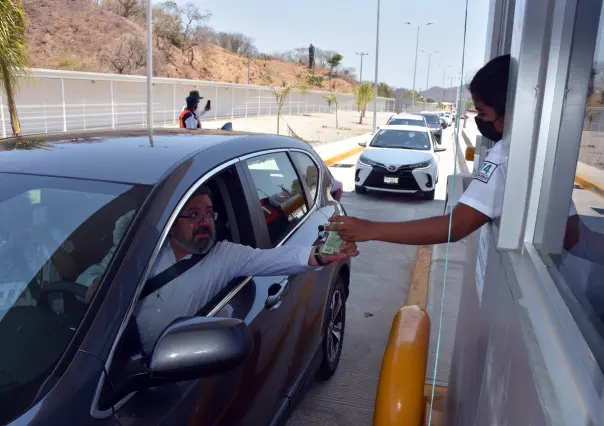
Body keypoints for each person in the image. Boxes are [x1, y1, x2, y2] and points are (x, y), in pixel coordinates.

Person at [325, 54, 604, 262]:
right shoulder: (533, 152)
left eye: (482, 113)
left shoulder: (509, 158)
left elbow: (454, 226)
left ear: (512, 110)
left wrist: (370, 229)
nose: (479, 121)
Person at [84, 186, 359, 353]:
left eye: (209, 213)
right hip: (113, 355)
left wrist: (319, 256)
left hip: (164, 373)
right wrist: (94, 283)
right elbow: (100, 269)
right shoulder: (146, 250)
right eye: (193, 214)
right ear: (171, 225)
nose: (205, 222)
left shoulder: (224, 256)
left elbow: (273, 258)